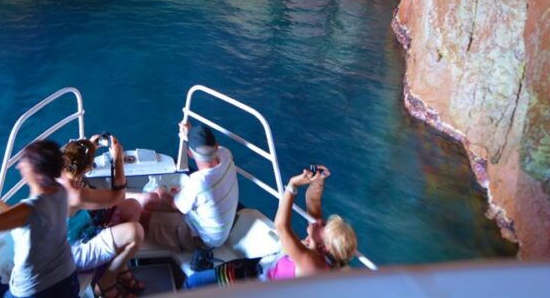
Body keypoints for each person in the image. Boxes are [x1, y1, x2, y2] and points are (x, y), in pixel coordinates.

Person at [183, 165, 358, 288]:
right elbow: (313, 201)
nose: (319, 221)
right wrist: (318, 181)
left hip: (254, 286)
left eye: (324, 225)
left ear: (325, 247)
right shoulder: (317, 249)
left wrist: (292, 186)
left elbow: (281, 227)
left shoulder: (313, 265)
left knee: (192, 284)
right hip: (255, 271)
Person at [0, 140, 79, 298]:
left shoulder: (30, 209)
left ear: (37, 172)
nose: (18, 166)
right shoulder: (60, 191)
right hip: (68, 281)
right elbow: (21, 221)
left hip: (38, 292)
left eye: (24, 162)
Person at [60, 134, 145, 298]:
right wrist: (118, 160)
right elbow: (118, 197)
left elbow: (74, 159)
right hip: (74, 251)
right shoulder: (75, 194)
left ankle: (120, 267)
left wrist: (90, 145)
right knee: (135, 232)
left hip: (86, 227)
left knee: (133, 206)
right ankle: (106, 282)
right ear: (86, 169)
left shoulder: (60, 174)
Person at [141, 121, 239, 253]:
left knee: (144, 213)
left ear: (190, 154)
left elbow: (173, 205)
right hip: (218, 230)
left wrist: (160, 190)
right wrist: (190, 135)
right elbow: (208, 150)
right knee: (158, 200)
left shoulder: (199, 182)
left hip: (204, 241)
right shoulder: (226, 154)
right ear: (216, 145)